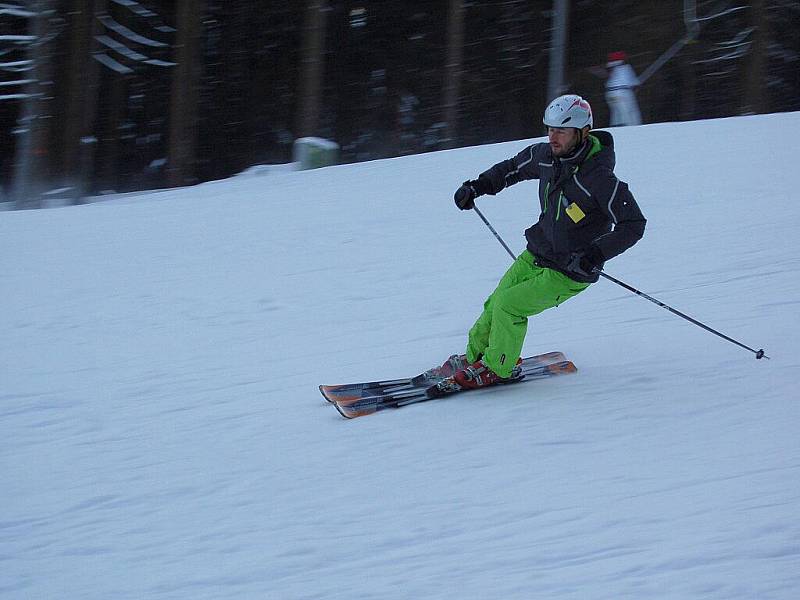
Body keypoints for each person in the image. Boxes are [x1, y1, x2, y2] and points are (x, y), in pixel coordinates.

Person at [440, 94, 646, 390]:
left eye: (561, 131)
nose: (553, 136)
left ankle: (498, 367)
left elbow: (633, 224)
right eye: (550, 129)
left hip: (570, 270)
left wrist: (595, 254)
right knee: (495, 303)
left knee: (510, 307)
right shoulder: (545, 157)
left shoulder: (600, 179)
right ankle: (477, 357)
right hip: (538, 252)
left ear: (582, 132)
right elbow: (511, 168)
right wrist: (478, 186)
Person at [605, 51, 642, 126]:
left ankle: (615, 130)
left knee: (616, 115)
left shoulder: (609, 68)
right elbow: (635, 84)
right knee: (630, 115)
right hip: (622, 92)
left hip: (610, 93)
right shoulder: (626, 67)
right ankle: (632, 131)